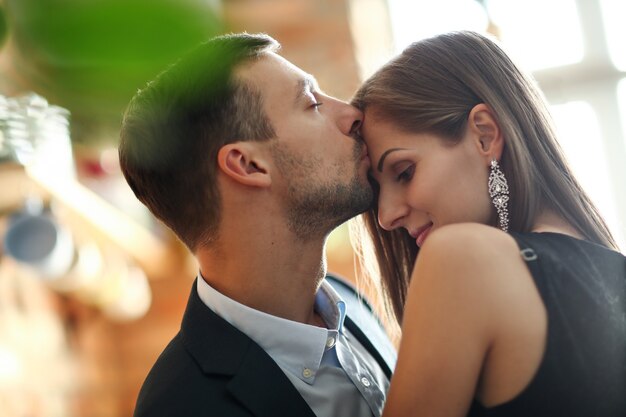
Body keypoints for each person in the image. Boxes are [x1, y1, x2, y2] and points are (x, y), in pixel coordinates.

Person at [118, 32, 396, 417]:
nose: (352, 115)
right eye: (312, 103)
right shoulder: (183, 406)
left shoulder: (351, 303)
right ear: (248, 165)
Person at [351, 30, 626, 417]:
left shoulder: (461, 257)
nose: (385, 216)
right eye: (376, 192)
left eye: (404, 171)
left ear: (485, 134)